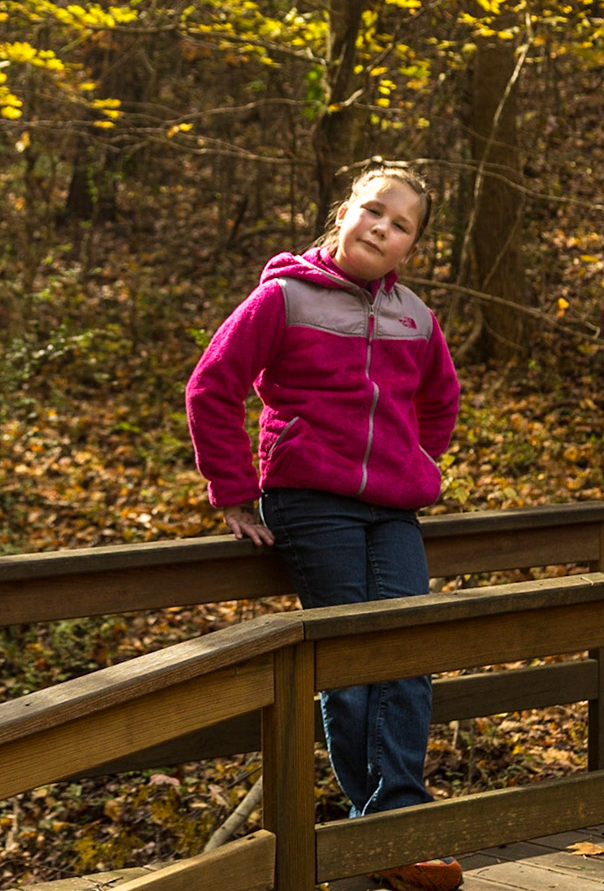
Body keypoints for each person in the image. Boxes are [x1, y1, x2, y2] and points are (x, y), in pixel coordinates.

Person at [185, 157, 462, 891]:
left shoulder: (416, 317)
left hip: (392, 506)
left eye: (400, 225)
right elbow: (213, 386)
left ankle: (395, 826)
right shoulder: (283, 297)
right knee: (346, 654)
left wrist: (412, 455)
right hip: (311, 499)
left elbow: (441, 403)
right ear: (345, 210)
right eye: (374, 209)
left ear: (410, 247)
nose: (382, 227)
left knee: (406, 647)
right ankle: (380, 833)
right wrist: (235, 492)